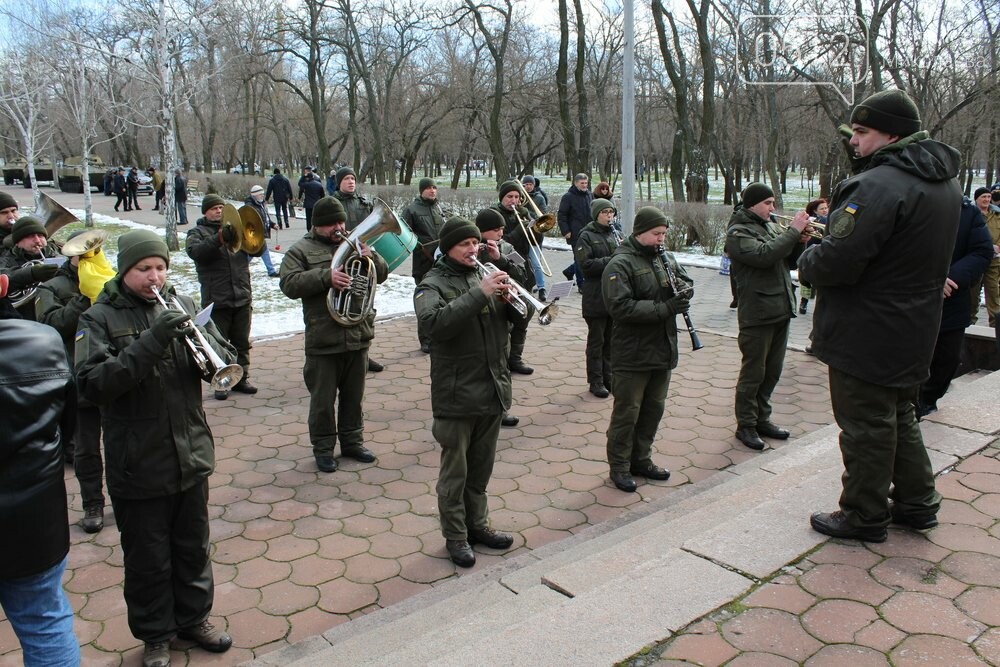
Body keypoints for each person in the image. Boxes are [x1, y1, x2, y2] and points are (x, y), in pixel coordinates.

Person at [798, 88, 962, 542]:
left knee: (866, 425)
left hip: (866, 330)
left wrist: (807, 256)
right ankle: (917, 502)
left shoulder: (876, 185)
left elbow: (839, 262)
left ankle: (864, 514)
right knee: (899, 415)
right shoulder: (943, 183)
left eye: (863, 132)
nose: (854, 140)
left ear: (893, 134)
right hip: (914, 326)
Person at [76, 229, 235, 667]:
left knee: (192, 546)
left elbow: (221, 354)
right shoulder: (99, 318)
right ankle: (156, 636)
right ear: (126, 270)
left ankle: (194, 619)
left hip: (190, 452)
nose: (155, 277)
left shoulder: (180, 303)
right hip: (139, 462)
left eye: (161, 268)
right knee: (148, 559)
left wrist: (214, 350)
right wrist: (153, 341)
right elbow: (92, 385)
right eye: (144, 269)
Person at [414, 216, 525, 566]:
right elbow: (433, 325)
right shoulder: (431, 283)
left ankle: (478, 525)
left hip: (492, 388)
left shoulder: (484, 272)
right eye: (465, 244)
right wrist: (481, 294)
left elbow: (517, 322)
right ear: (448, 247)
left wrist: (509, 299)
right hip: (457, 393)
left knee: (480, 469)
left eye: (475, 243)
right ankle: (456, 536)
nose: (473, 249)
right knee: (455, 474)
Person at [279, 197, 387, 473]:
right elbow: (289, 284)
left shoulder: (354, 243)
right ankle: (324, 449)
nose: (338, 228)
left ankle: (353, 442)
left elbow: (382, 274)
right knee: (323, 402)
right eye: (331, 224)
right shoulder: (300, 250)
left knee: (354, 398)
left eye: (341, 222)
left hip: (357, 333)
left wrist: (370, 256)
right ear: (317, 225)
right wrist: (326, 277)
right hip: (323, 339)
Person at [1, 312, 80, 667]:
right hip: (35, 522)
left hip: (35, 522)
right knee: (44, 621)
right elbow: (69, 425)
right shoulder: (45, 339)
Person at [601, 206, 690, 492]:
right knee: (628, 413)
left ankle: (642, 459)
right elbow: (620, 307)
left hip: (662, 348)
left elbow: (685, 279)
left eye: (663, 234)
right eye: (656, 234)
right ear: (640, 232)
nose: (660, 239)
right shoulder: (620, 264)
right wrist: (665, 307)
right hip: (633, 352)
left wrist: (685, 290)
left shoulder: (665, 257)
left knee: (653, 409)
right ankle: (620, 466)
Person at [36, 229, 117, 533]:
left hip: (110, 373)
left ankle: (124, 498)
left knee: (121, 443)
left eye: (94, 249)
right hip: (76, 378)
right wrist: (85, 297)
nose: (88, 255)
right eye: (82, 251)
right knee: (85, 449)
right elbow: (50, 327)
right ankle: (92, 504)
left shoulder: (109, 277)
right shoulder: (51, 287)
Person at [725, 182, 808, 451]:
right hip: (757, 313)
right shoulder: (738, 233)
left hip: (779, 310)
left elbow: (785, 261)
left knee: (772, 372)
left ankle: (763, 418)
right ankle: (746, 425)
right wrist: (793, 231)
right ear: (752, 204)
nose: (773, 208)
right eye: (768, 203)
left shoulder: (769, 226)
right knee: (754, 373)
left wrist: (799, 243)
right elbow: (763, 256)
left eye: (773, 203)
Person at [917, 199, 992, 417]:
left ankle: (928, 401)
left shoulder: (966, 211)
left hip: (951, 300)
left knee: (946, 358)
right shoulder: (905, 201)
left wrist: (950, 277)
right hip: (907, 299)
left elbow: (982, 251)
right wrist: (929, 280)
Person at [185, 194, 259, 399]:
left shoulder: (237, 229)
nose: (218, 210)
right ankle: (222, 382)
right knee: (218, 342)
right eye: (213, 208)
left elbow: (257, 249)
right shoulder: (197, 233)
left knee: (242, 342)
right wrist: (219, 238)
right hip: (217, 300)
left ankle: (241, 379)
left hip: (242, 296)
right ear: (205, 212)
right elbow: (196, 252)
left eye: (221, 207)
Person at [475, 208, 532, 427]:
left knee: (501, 367)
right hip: (480, 313)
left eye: (501, 229)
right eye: (495, 230)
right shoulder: (471, 247)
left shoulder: (507, 247)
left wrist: (502, 260)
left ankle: (501, 409)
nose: (500, 233)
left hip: (502, 312)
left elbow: (523, 275)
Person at [333, 166, 385, 372]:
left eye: (353, 178)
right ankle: (343, 355)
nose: (351, 182)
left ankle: (364, 353)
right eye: (346, 179)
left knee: (365, 307)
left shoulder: (363, 204)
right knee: (342, 306)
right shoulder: (332, 203)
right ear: (339, 182)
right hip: (341, 262)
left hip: (362, 262)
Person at [491, 181, 543, 375]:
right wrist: (523, 228)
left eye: (517, 197)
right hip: (503, 267)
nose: (514, 201)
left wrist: (535, 229)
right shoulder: (494, 215)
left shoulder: (523, 213)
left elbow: (535, 243)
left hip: (522, 267)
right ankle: (501, 358)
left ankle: (516, 359)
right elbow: (507, 241)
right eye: (509, 197)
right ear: (502, 198)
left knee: (523, 316)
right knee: (505, 318)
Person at [576, 198, 618, 398]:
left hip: (614, 293)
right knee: (597, 341)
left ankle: (608, 377)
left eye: (611, 212)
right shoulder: (586, 235)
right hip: (595, 294)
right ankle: (595, 380)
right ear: (596, 214)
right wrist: (613, 259)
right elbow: (586, 266)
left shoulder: (615, 233)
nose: (609, 216)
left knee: (611, 339)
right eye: (605, 212)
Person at [400, 177, 445, 353]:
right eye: (428, 188)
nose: (432, 190)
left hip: (440, 261)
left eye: (434, 187)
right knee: (424, 302)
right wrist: (420, 248)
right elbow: (404, 235)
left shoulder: (439, 208)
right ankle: (425, 339)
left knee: (441, 301)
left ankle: (439, 336)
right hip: (422, 263)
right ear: (421, 191)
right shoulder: (411, 210)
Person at [0, 216, 63, 320]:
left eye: (40, 236)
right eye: (30, 236)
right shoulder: (6, 261)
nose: (37, 240)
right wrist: (31, 273)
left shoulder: (60, 254)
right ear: (18, 242)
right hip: (24, 317)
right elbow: (3, 278)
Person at [968, 186, 1000, 326]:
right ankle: (970, 321)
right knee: (972, 293)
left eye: (988, 197)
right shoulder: (970, 214)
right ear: (976, 199)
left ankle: (995, 324)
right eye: (983, 197)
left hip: (994, 260)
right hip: (975, 260)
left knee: (993, 293)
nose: (987, 200)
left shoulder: (997, 215)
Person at [557, 173, 593, 287]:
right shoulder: (568, 197)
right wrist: (565, 231)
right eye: (582, 183)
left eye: (586, 183)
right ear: (576, 183)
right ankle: (581, 283)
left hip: (589, 233)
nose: (584, 185)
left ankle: (570, 271)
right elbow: (562, 215)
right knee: (579, 258)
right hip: (575, 233)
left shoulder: (589, 195)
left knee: (588, 257)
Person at [798, 198, 829, 316]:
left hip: (825, 254)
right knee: (808, 281)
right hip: (812, 253)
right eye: (822, 209)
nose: (825, 210)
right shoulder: (812, 221)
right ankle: (803, 302)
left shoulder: (828, 220)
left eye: (826, 208)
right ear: (815, 211)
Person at [520, 174, 548, 299]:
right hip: (521, 234)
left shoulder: (539, 198)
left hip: (535, 235)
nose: (528, 187)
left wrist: (526, 212)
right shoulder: (519, 196)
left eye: (530, 184)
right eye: (525, 185)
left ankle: (542, 288)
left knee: (536, 264)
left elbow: (542, 216)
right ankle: (526, 287)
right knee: (522, 263)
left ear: (534, 185)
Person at [245, 185, 280, 277]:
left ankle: (271, 270)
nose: (262, 196)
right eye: (260, 194)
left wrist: (272, 224)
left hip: (260, 234)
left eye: (263, 194)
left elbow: (265, 218)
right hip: (255, 234)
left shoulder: (261, 204)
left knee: (263, 251)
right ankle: (241, 267)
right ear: (255, 195)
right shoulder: (250, 206)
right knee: (252, 252)